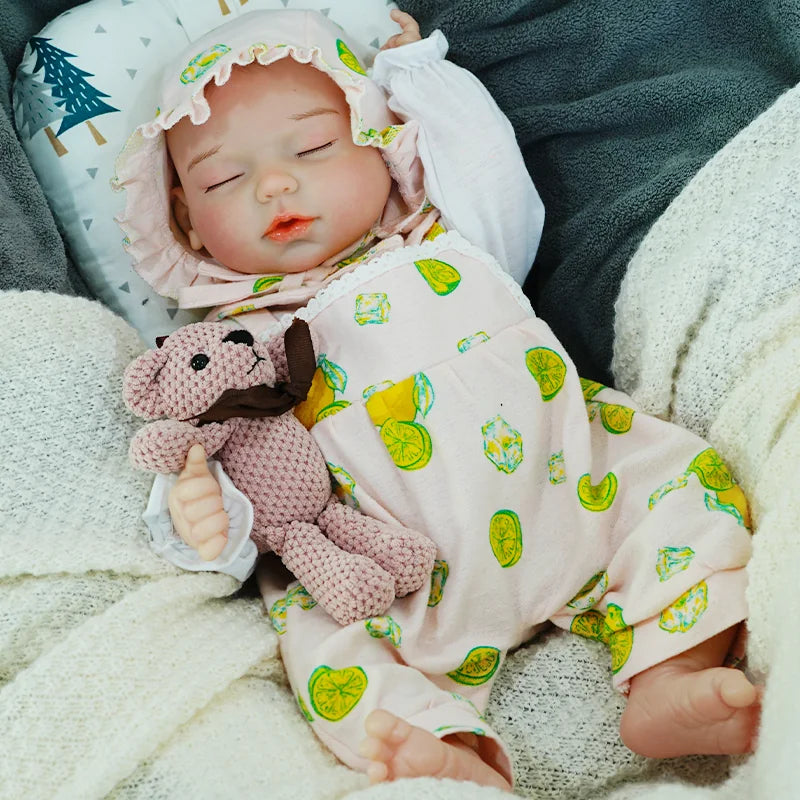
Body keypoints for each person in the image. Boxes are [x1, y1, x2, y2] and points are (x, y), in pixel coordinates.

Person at [114, 8, 759, 791]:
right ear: (184, 216)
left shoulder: (451, 234)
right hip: (397, 585)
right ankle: (450, 758)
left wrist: (418, 74)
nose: (275, 183)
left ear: (380, 143)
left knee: (682, 481)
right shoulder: (228, 347)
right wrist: (200, 511)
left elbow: (489, 165)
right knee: (322, 645)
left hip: (579, 492)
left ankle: (670, 677)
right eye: (223, 178)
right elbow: (230, 472)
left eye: (313, 146)